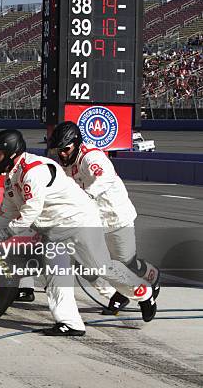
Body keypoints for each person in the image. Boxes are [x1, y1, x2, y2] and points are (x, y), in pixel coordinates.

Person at [0, 129, 158, 336]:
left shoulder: (33, 171)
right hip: (53, 230)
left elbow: (31, 210)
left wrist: (6, 233)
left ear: (10, 152)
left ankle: (143, 292)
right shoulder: (12, 177)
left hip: (79, 221)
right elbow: (7, 210)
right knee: (56, 275)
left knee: (101, 268)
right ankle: (70, 323)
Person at [48, 121, 160, 314]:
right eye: (58, 150)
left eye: (65, 149)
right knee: (87, 264)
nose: (62, 153)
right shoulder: (63, 164)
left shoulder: (92, 157)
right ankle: (116, 293)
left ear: (76, 143)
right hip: (91, 221)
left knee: (126, 263)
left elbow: (105, 178)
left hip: (115, 216)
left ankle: (152, 276)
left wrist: (86, 196)